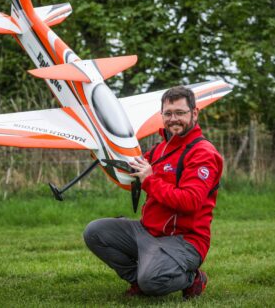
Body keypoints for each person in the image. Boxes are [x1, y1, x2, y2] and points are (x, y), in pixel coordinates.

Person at [83, 85, 223, 299]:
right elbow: (134, 171)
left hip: (185, 240)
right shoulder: (161, 148)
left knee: (152, 280)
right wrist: (104, 152)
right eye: (168, 114)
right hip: (147, 231)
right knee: (95, 232)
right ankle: (137, 280)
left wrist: (149, 180)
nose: (173, 119)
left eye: (180, 113)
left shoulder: (203, 153)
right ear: (161, 115)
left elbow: (190, 201)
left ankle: (192, 278)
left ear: (194, 113)